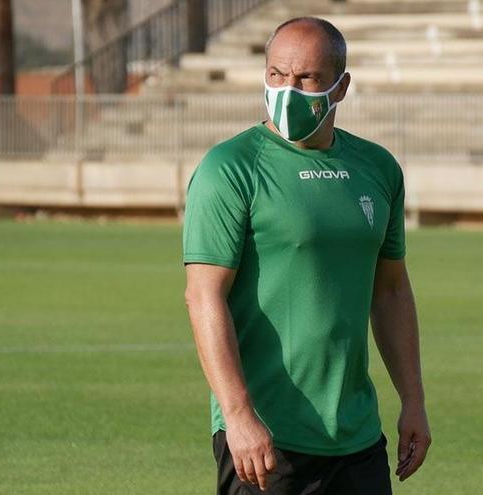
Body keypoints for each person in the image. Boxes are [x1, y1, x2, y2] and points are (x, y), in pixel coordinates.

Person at [182, 16, 430, 495]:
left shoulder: (377, 168)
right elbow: (202, 298)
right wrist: (237, 417)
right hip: (266, 439)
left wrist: (413, 400)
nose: (287, 89)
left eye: (306, 78)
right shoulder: (229, 169)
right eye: (276, 75)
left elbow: (392, 290)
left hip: (357, 437)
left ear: (340, 87)